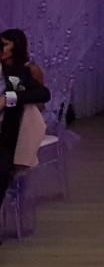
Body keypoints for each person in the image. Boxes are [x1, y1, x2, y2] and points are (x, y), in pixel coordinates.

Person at [0, 28, 50, 199]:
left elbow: (42, 96)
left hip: (13, 131)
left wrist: (8, 98)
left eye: (5, 45)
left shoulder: (22, 73)